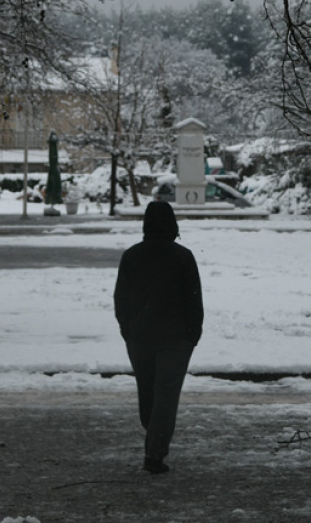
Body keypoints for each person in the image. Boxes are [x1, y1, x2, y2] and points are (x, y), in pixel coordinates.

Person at [114, 201, 203, 475]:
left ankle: (154, 441)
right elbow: (193, 299)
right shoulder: (182, 256)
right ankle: (155, 449)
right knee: (166, 396)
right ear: (173, 225)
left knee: (148, 392)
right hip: (175, 339)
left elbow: (121, 298)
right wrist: (193, 335)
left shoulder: (131, 255)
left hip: (140, 337)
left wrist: (128, 329)